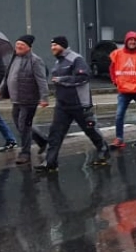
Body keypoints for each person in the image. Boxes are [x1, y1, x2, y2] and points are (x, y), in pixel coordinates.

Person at [40, 36, 109, 171]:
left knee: (90, 130)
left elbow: (84, 77)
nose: (52, 48)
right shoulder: (58, 62)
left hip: (80, 104)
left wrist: (62, 79)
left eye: (55, 45)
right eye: (51, 45)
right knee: (55, 133)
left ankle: (103, 150)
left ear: (63, 46)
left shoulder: (76, 59)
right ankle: (50, 162)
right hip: (63, 105)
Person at [0, 34, 50, 164]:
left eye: (22, 45)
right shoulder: (14, 58)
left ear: (29, 47)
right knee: (20, 125)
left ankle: (25, 153)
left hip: (29, 99)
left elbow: (42, 80)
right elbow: (7, 77)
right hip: (16, 99)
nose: (18, 47)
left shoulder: (35, 60)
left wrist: (44, 97)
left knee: (24, 126)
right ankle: (42, 140)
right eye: (17, 44)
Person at [108, 31, 136, 148]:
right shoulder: (117, 54)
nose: (132, 42)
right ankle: (119, 138)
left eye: (134, 40)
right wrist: (115, 82)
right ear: (126, 41)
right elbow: (112, 69)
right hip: (124, 90)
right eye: (130, 40)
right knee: (119, 115)